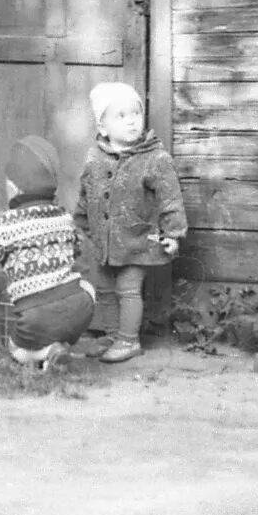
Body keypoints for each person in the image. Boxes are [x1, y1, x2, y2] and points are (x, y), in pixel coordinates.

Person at [0, 135, 95, 371]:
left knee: (16, 348)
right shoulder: (64, 218)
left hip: (36, 319)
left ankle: (46, 352)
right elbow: (77, 250)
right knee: (88, 288)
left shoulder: (9, 224)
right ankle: (60, 345)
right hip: (79, 308)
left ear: (13, 187)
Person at [75, 82, 187, 364]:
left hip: (139, 240)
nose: (131, 121)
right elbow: (86, 192)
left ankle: (129, 340)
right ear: (103, 127)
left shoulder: (155, 158)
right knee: (104, 288)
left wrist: (173, 233)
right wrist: (81, 222)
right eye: (121, 116)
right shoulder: (94, 157)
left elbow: (170, 197)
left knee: (127, 287)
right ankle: (114, 334)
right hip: (105, 241)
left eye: (135, 114)